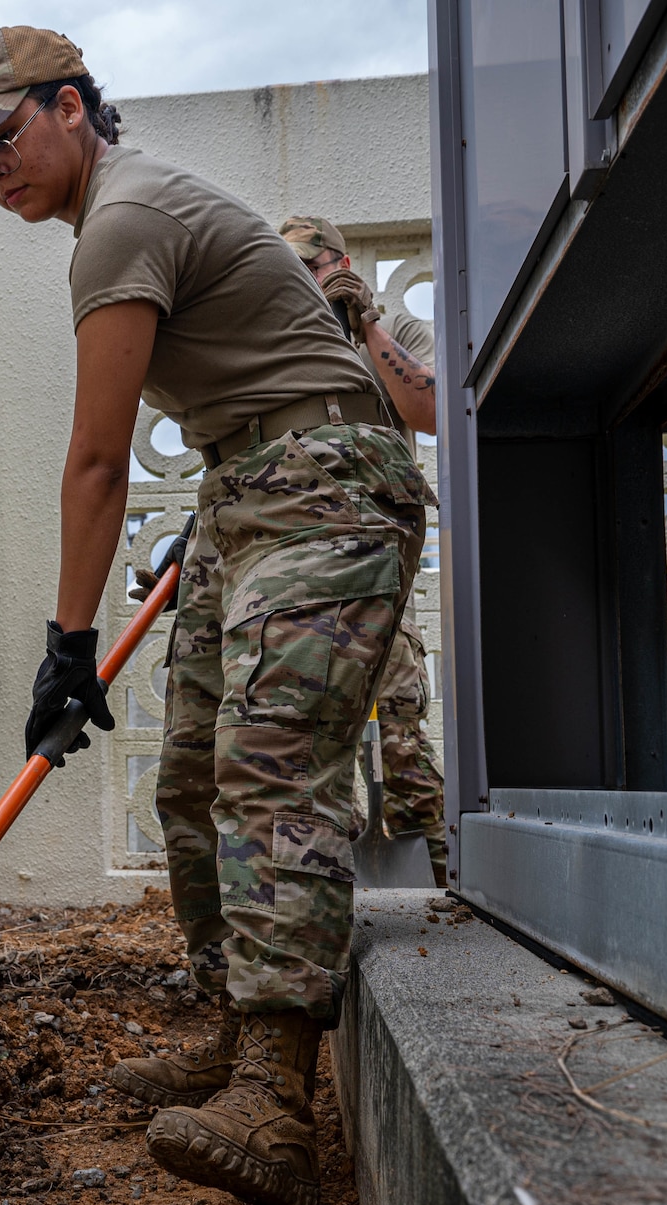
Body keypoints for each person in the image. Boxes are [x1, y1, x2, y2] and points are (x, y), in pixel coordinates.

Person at [0, 27, 431, 1205]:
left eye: (5, 136)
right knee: (192, 779)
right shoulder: (119, 217)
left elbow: (97, 459)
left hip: (324, 483)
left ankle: (276, 1091)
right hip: (246, 481)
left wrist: (63, 646)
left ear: (71, 108)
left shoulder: (121, 217)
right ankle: (225, 1019)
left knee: (267, 764)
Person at [280, 216, 447, 891]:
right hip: (299, 577)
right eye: (291, 269)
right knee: (309, 751)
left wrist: (366, 326)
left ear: (341, 262)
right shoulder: (281, 344)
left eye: (313, 267)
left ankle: (444, 896)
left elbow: (434, 408)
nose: (306, 282)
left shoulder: (395, 333)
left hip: (379, 574)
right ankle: (328, 901)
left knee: (402, 745)